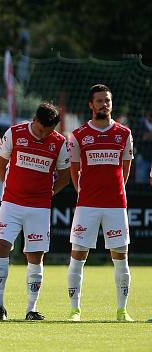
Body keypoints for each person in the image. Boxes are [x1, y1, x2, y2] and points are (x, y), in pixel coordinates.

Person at [0, 103, 70, 321]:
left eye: (50, 131)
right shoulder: (15, 133)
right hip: (11, 204)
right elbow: (0, 163)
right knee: (1, 246)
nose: (45, 135)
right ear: (35, 120)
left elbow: (65, 175)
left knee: (35, 256)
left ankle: (31, 309)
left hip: (39, 208)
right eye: (42, 130)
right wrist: (9, 186)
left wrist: (49, 193)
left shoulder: (59, 142)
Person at [67, 84, 135, 322]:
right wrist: (84, 193)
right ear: (91, 104)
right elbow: (74, 171)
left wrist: (115, 190)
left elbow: (125, 170)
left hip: (116, 204)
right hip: (87, 205)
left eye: (107, 100)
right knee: (78, 256)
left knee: (121, 257)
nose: (104, 104)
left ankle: (121, 310)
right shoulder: (79, 136)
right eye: (99, 101)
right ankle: (75, 310)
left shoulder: (124, 134)